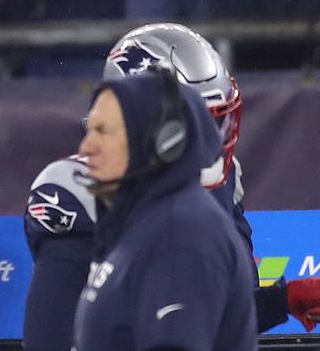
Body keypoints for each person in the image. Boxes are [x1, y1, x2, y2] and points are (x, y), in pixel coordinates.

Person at [22, 22, 320, 351]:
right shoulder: (80, 193)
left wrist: (284, 299)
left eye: (218, 119)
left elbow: (209, 316)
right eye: (196, 120)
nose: (214, 139)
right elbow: (50, 339)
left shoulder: (216, 185)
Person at [73, 68, 257, 350]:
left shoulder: (179, 234)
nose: (86, 146)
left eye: (103, 131)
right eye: (90, 129)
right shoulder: (150, 226)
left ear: (160, 142)